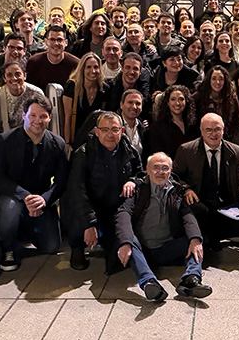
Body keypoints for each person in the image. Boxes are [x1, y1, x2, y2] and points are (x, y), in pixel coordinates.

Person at [116, 152, 212, 302]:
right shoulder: (138, 189)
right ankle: (148, 282)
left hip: (165, 248)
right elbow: (123, 214)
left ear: (170, 171)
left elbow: (187, 216)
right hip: (141, 250)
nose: (160, 172)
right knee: (130, 239)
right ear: (147, 169)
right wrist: (125, 242)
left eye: (165, 168)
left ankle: (191, 280)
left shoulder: (177, 191)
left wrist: (195, 239)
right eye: (156, 167)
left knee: (195, 240)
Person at [0, 95, 68, 271]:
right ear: (24, 115)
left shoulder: (57, 143)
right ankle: (7, 248)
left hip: (40, 198)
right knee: (10, 209)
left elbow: (62, 180)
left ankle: (22, 231)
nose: (37, 121)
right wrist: (24, 196)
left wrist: (45, 199)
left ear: (49, 118)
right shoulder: (5, 140)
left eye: (43, 116)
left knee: (51, 246)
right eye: (33, 115)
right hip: (12, 195)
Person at [65, 111, 142, 272]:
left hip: (115, 208)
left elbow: (140, 174)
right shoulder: (84, 153)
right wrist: (89, 223)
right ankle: (77, 248)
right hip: (91, 206)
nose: (110, 134)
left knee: (117, 262)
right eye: (105, 130)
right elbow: (77, 190)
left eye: (114, 129)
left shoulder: (129, 150)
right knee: (76, 213)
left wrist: (132, 181)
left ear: (121, 131)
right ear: (96, 131)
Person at [173, 113, 239, 250]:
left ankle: (210, 237)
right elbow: (174, 178)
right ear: (201, 130)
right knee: (199, 212)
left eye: (217, 129)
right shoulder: (186, 150)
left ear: (223, 130)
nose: (213, 134)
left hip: (225, 205)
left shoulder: (235, 151)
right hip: (200, 202)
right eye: (208, 130)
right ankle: (209, 240)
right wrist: (186, 189)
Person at [0, 61, 47, 151]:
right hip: (5, 146)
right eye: (9, 75)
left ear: (24, 75)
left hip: (32, 144)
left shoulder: (36, 94)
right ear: (4, 78)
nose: (14, 78)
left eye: (18, 74)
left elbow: (43, 124)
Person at [62, 53, 105, 146]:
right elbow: (67, 117)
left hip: (95, 140)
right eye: (88, 67)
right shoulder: (72, 86)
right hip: (76, 137)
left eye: (96, 67)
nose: (93, 71)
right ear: (82, 69)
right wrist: (67, 142)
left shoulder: (103, 89)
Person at [25, 25, 79, 94]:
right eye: (52, 40)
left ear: (66, 43)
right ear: (46, 42)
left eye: (59, 40)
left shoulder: (76, 64)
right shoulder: (34, 62)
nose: (56, 43)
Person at [149, 85, 197, 160]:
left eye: (181, 99)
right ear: (168, 102)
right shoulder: (157, 127)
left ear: (186, 101)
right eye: (173, 99)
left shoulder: (193, 124)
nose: (177, 103)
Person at [195, 66, 239, 136]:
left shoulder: (232, 98)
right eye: (214, 79)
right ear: (209, 80)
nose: (217, 82)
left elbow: (236, 121)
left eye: (221, 79)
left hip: (224, 138)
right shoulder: (199, 96)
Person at [102, 53, 150, 118]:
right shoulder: (109, 87)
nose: (131, 72)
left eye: (135, 69)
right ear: (122, 68)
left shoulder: (144, 89)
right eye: (128, 67)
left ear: (140, 71)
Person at [120, 88, 147, 158]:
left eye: (138, 103)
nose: (134, 107)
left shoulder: (143, 128)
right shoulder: (113, 125)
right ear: (121, 105)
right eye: (130, 102)